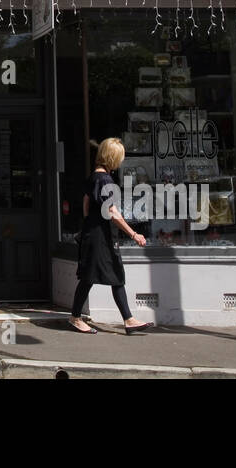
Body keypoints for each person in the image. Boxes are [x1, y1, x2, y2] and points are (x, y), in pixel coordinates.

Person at [69, 137, 153, 334]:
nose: (121, 161)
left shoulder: (94, 177)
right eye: (120, 157)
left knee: (112, 275)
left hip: (95, 233)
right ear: (113, 157)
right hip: (100, 237)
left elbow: (86, 203)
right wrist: (134, 234)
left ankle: (128, 319)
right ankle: (75, 317)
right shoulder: (105, 180)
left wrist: (90, 223)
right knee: (92, 276)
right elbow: (113, 212)